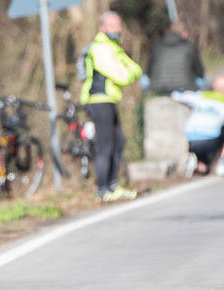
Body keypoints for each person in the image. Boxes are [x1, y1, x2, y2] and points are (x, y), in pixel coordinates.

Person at [80, 11, 142, 201]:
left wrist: (129, 72)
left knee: (119, 142)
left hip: (109, 99)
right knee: (105, 146)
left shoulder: (113, 47)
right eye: (113, 26)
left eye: (119, 25)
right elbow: (123, 75)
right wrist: (128, 73)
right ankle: (102, 189)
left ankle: (112, 185)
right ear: (102, 27)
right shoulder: (100, 48)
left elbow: (135, 70)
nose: (118, 29)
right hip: (98, 100)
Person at [172, 75, 224, 177]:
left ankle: (199, 165)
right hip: (210, 139)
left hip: (191, 138)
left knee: (204, 163)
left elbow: (177, 95)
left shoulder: (201, 96)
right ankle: (221, 163)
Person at [145, 20, 204, 95]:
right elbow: (200, 73)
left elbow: (148, 73)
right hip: (186, 88)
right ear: (184, 33)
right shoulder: (189, 47)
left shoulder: (157, 46)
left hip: (157, 89)